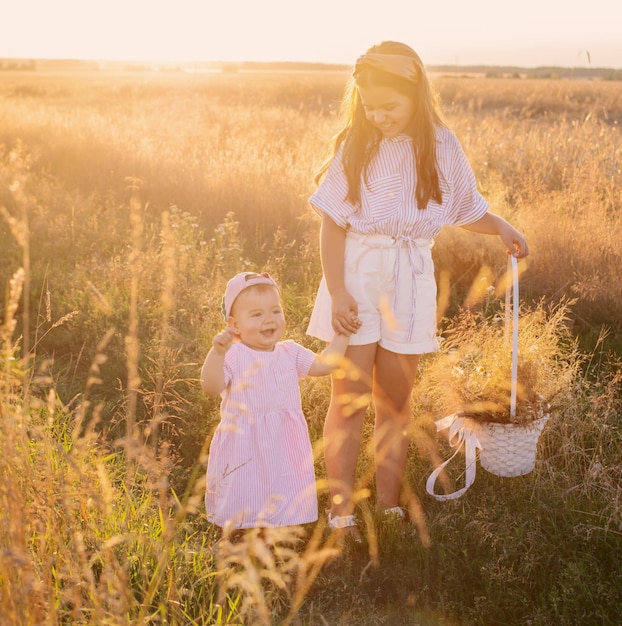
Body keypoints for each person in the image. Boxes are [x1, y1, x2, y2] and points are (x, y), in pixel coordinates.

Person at [306, 41, 529, 539]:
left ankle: (387, 506)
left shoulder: (442, 144)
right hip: (359, 276)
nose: (378, 114)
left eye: (389, 105)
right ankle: (340, 512)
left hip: (410, 279)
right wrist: (339, 291)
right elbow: (332, 223)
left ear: (416, 94)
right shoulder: (356, 145)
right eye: (368, 104)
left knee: (395, 403)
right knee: (350, 399)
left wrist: (502, 226)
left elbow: (467, 209)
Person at [201, 271, 353, 536]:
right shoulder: (234, 355)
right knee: (244, 484)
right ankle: (240, 529)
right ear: (234, 325)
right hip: (243, 442)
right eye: (256, 314)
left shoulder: (289, 352)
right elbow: (211, 387)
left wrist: (342, 336)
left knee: (283, 478)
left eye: (275, 311)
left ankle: (282, 525)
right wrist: (216, 354)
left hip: (283, 439)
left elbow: (323, 365)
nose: (269, 319)